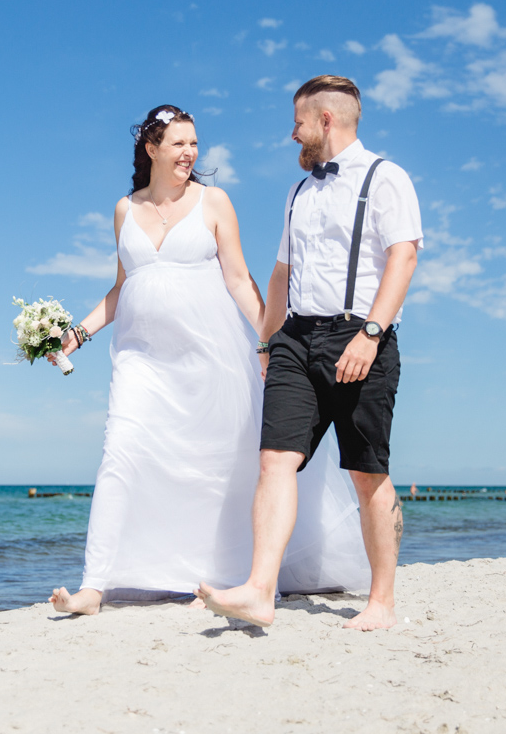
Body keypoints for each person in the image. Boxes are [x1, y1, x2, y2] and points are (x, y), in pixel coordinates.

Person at [48, 105, 370, 615]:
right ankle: (94, 585)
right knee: (121, 452)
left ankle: (221, 578)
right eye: (179, 143)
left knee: (216, 465)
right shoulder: (124, 209)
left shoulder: (214, 202)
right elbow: (121, 287)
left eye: (194, 143)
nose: (190, 152)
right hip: (140, 360)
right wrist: (75, 334)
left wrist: (271, 340)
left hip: (209, 357)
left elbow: (240, 280)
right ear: (152, 149)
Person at [198, 76, 423, 631]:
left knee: (366, 473)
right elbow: (281, 274)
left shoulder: (386, 178)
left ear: (325, 120)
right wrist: (268, 340)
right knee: (276, 459)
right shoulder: (299, 192)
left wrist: (370, 334)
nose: (291, 133)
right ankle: (258, 590)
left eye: (297, 122)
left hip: (360, 337)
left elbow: (404, 257)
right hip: (295, 340)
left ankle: (382, 603)